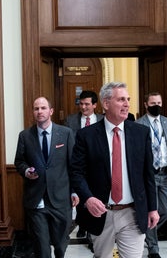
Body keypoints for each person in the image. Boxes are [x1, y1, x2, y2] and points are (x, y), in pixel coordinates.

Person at [70, 81, 159, 258]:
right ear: (106, 103)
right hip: (102, 212)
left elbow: (148, 174)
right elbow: (76, 173)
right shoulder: (86, 135)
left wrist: (152, 208)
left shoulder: (141, 133)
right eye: (121, 99)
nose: (127, 104)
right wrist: (87, 198)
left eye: (128, 99)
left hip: (132, 212)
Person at [14, 97, 79, 258]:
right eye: (36, 109)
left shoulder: (65, 134)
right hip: (36, 200)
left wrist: (74, 191)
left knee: (59, 245)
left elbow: (74, 165)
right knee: (42, 248)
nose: (39, 112)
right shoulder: (25, 136)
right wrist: (26, 171)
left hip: (61, 198)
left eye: (43, 108)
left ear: (51, 111)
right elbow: (19, 161)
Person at [136, 91, 167, 258]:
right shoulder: (138, 124)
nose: (156, 106)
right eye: (152, 103)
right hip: (149, 176)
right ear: (145, 105)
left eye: (159, 103)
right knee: (152, 211)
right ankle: (153, 249)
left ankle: (145, 231)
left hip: (166, 174)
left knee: (165, 211)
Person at [64, 90, 104, 240]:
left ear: (94, 105)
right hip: (78, 165)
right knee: (80, 197)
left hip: (96, 166)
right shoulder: (70, 120)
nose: (83, 107)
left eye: (87, 104)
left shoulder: (102, 119)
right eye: (81, 104)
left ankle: (90, 232)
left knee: (93, 198)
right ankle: (82, 224)